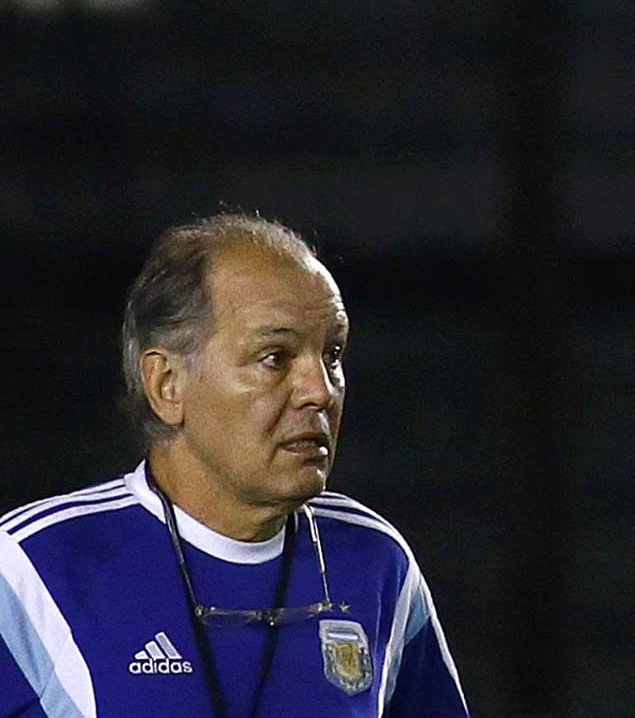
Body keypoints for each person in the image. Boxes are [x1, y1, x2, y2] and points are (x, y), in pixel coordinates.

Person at [0, 214, 472, 717]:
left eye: (331, 354)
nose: (320, 389)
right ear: (167, 385)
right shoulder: (32, 568)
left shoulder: (375, 562)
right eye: (275, 357)